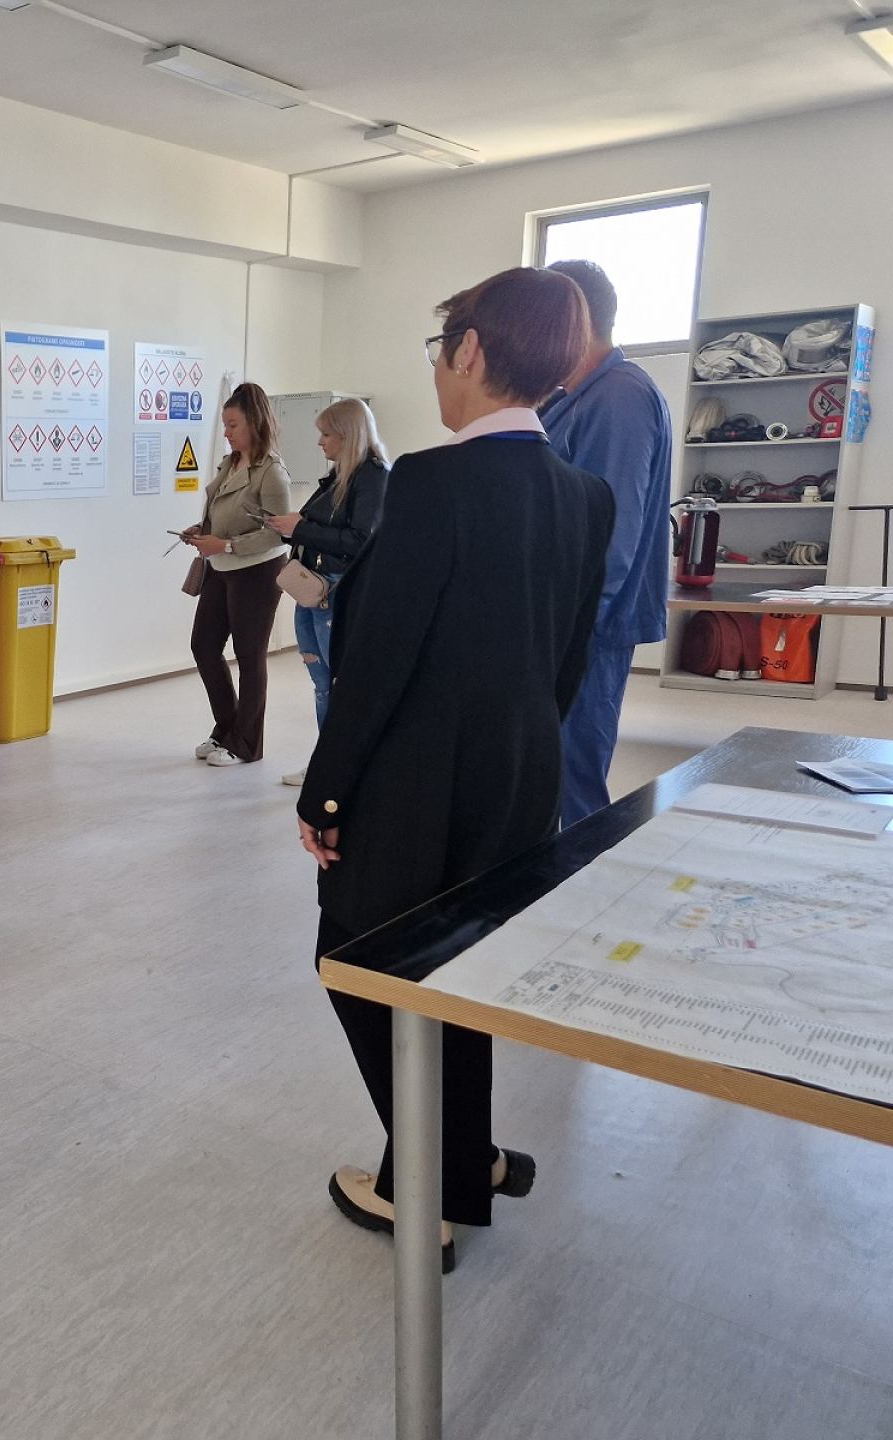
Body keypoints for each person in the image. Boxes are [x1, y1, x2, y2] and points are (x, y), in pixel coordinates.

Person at [297, 267, 613, 1269]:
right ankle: (463, 1159)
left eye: (442, 350)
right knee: (460, 975)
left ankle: (426, 1190)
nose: (438, 370)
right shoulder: (586, 496)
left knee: (356, 965)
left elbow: (376, 662)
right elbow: (568, 658)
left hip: (414, 792)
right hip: (520, 785)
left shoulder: (434, 483)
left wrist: (327, 790)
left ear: (470, 352)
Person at [541, 258, 675, 827]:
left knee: (572, 780)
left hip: (587, 626)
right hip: (566, 618)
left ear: (573, 319)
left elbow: (611, 531)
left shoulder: (619, 397)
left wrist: (572, 631)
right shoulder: (573, 396)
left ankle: (582, 878)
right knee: (548, 772)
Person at [267, 398, 391, 784]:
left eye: (326, 434)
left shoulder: (372, 476)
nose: (320, 442)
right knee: (322, 684)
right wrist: (292, 527)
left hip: (338, 593)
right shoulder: (339, 476)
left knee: (339, 685)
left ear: (347, 435)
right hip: (313, 592)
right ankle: (327, 764)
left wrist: (300, 528)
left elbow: (360, 540)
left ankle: (342, 770)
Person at [183, 381, 292, 767]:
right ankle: (227, 727)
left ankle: (247, 744)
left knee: (249, 655)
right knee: (203, 645)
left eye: (233, 425)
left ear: (254, 423)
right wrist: (203, 531)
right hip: (222, 568)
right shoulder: (229, 464)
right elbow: (223, 514)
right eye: (225, 425)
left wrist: (225, 545)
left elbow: (278, 532)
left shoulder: (272, 472)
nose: (226, 432)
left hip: (257, 571)